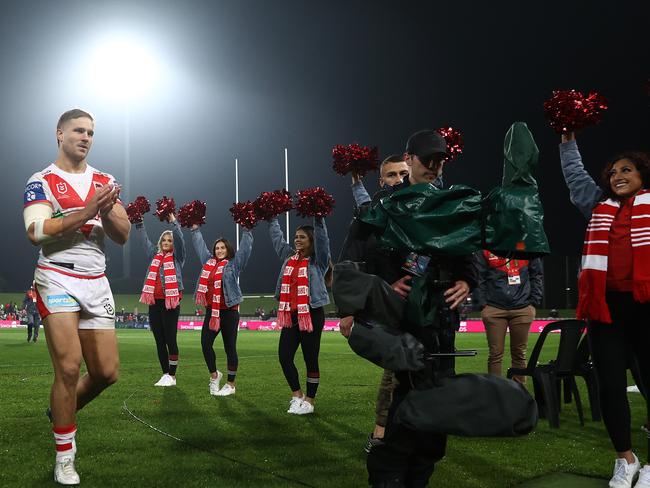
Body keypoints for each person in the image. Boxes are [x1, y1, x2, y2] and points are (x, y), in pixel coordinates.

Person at [338, 129, 476, 487]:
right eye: (425, 159)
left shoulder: (451, 205)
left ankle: (415, 477)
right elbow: (351, 259)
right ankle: (388, 477)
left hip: (442, 318)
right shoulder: (381, 208)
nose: (433, 167)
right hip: (400, 319)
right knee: (408, 398)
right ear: (409, 158)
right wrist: (358, 305)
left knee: (435, 401)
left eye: (439, 160)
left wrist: (467, 282)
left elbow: (467, 256)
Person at [23, 108, 130, 485]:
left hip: (96, 280)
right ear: (59, 134)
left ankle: (61, 410)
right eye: (78, 131)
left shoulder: (104, 180)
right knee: (68, 369)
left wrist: (108, 207)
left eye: (90, 132)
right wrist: (86, 211)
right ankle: (65, 457)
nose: (85, 137)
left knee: (106, 372)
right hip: (57, 277)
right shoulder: (42, 180)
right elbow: (36, 230)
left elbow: (123, 234)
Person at [559, 131, 650, 488]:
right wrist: (568, 142)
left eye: (627, 170)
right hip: (606, 310)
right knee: (610, 385)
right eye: (612, 172)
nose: (618, 176)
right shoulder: (598, 206)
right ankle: (625, 459)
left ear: (643, 174)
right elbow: (575, 176)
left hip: (646, 307)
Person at [268, 215, 331, 415]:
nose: (297, 239)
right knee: (284, 357)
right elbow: (278, 241)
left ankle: (310, 401)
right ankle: (297, 395)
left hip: (311, 314)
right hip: (291, 315)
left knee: (310, 359)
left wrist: (319, 219)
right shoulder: (289, 258)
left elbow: (323, 241)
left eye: (302, 237)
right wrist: (272, 220)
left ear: (311, 240)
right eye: (296, 237)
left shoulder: (318, 261)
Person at [190, 223, 253, 396]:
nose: (219, 250)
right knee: (205, 344)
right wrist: (195, 229)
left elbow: (245, 250)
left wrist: (247, 231)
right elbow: (199, 246)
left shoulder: (234, 264)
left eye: (222, 247)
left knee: (229, 348)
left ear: (228, 249)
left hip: (229, 312)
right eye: (217, 248)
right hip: (212, 312)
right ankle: (214, 375)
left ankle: (231, 384)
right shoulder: (208, 263)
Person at [476, 250, 543, 383]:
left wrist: (534, 301)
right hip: (494, 308)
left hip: (523, 308)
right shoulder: (486, 249)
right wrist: (483, 304)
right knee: (495, 354)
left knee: (519, 354)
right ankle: (497, 393)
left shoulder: (526, 246)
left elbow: (537, 275)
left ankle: (519, 394)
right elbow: (479, 277)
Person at [136, 212, 186, 387]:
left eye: (169, 241)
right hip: (154, 303)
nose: (166, 243)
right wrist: (140, 224)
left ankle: (172, 375)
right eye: (164, 240)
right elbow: (144, 242)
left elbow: (180, 239)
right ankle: (165, 374)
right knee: (159, 340)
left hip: (170, 302)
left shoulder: (177, 257)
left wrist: (174, 223)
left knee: (170, 339)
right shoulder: (154, 256)